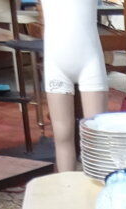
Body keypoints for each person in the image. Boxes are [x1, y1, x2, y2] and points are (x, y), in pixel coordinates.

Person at [40, 0, 107, 171]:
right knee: (62, 136)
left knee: (97, 136)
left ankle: (98, 185)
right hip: (56, 65)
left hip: (90, 62)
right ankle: (66, 185)